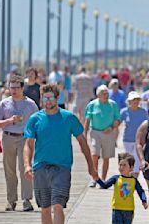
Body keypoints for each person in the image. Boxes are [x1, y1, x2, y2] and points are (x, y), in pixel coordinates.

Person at [23, 84, 98, 224]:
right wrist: (27, 165)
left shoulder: (68, 117)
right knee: (45, 207)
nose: (48, 101)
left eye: (51, 98)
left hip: (62, 167)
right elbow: (28, 144)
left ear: (57, 99)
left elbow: (82, 142)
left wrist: (91, 166)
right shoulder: (35, 119)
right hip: (40, 167)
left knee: (57, 205)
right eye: (45, 98)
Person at [0, 75, 39, 211]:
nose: (14, 91)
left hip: (25, 138)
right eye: (11, 88)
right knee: (9, 170)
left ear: (22, 88)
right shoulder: (4, 104)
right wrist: (9, 121)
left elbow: (38, 122)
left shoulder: (31, 104)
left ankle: (26, 200)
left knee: (25, 168)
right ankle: (11, 200)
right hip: (8, 137)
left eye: (17, 88)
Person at [84, 85, 120, 187]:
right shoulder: (92, 105)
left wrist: (112, 128)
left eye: (107, 93)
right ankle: (94, 178)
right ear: (98, 95)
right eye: (103, 93)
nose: (106, 95)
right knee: (94, 155)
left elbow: (118, 119)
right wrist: (84, 135)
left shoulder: (113, 104)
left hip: (108, 133)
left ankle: (103, 180)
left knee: (106, 157)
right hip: (95, 132)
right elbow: (87, 120)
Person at [96, 153, 148, 224]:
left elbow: (141, 191)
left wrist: (144, 201)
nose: (121, 167)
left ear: (131, 167)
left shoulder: (133, 180)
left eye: (124, 165)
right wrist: (97, 178)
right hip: (117, 209)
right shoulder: (115, 178)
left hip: (129, 210)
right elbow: (105, 185)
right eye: (120, 165)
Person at [119, 92, 148, 178]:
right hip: (127, 140)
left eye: (137, 99)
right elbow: (117, 123)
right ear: (129, 101)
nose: (136, 101)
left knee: (137, 160)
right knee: (129, 160)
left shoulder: (143, 112)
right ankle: (128, 178)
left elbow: (147, 126)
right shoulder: (124, 111)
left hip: (139, 140)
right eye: (133, 100)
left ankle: (135, 179)